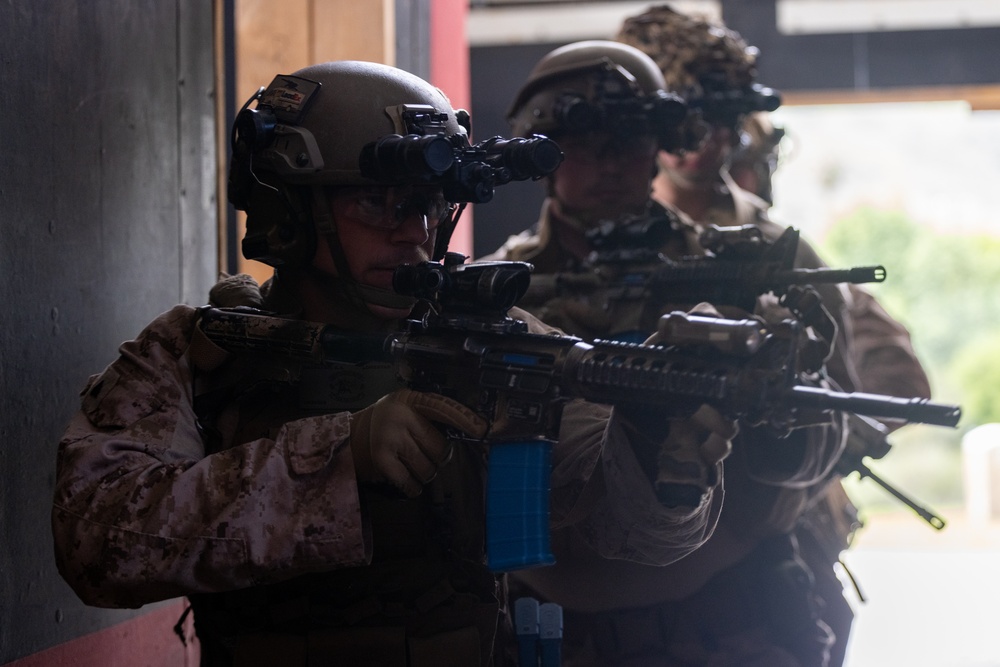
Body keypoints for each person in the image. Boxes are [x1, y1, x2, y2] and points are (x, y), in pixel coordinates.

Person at [50, 60, 736, 667]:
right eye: (373, 201)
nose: (411, 231)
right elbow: (98, 542)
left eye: (427, 205)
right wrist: (339, 456)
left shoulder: (492, 341)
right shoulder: (198, 352)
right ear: (292, 208)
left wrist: (654, 448)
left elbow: (626, 524)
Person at [483, 39, 852, 666]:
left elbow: (823, 433)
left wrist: (772, 404)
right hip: (550, 608)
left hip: (723, 600)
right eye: (584, 143)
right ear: (544, 154)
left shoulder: (740, 272)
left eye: (628, 143)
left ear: (658, 147)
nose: (608, 165)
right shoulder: (496, 289)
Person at [617, 5, 932, 666]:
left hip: (756, 561)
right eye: (691, 120)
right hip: (616, 561)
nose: (712, 142)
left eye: (727, 121)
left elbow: (875, 388)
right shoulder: (594, 242)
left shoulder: (785, 254)